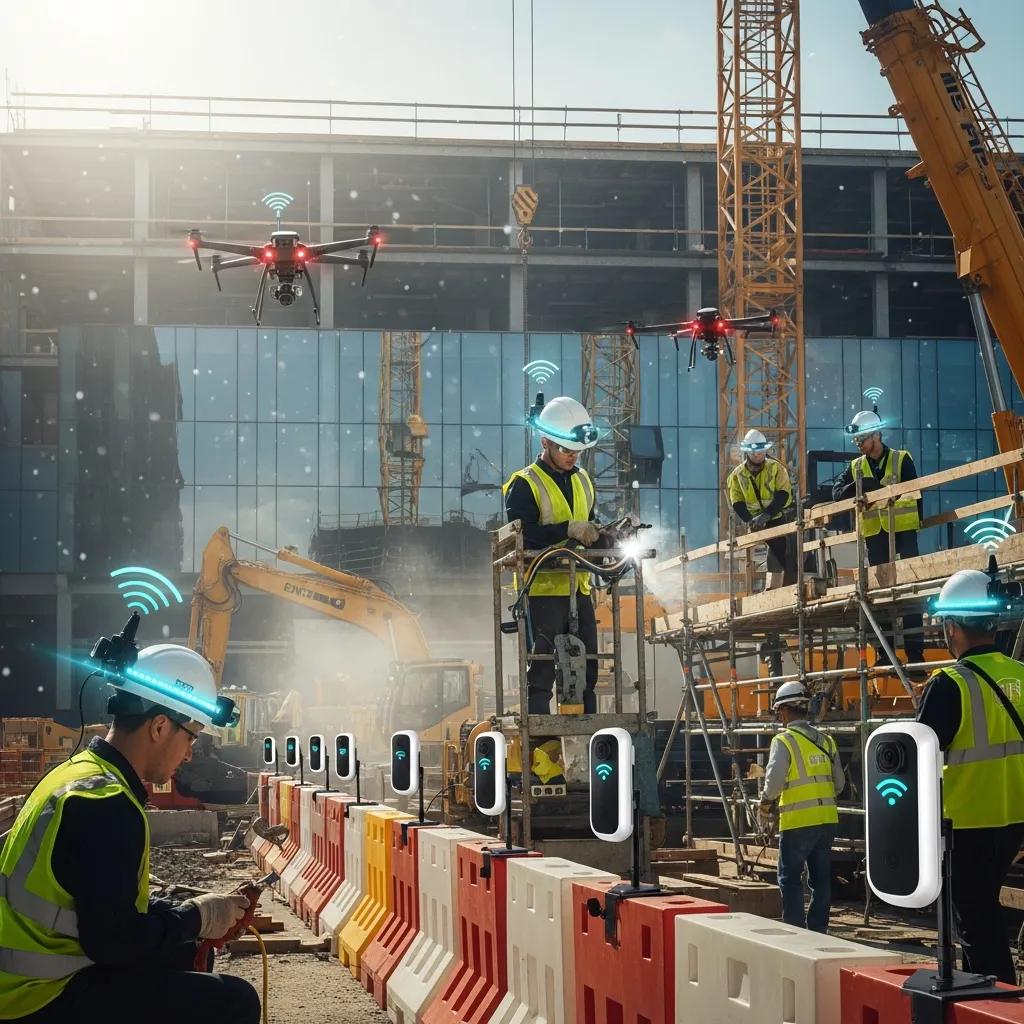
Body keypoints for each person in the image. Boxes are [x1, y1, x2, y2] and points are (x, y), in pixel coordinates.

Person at [0, 644, 261, 1023]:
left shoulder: (77, 777)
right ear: (159, 726)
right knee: (234, 1001)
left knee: (181, 952)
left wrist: (182, 915)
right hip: (37, 998)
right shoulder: (107, 805)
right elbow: (114, 942)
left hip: (22, 980)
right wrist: (196, 918)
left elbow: (94, 903)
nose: (189, 753)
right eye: (191, 737)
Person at [917, 569, 1024, 984]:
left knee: (977, 928)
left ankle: (996, 1005)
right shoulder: (1020, 674)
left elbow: (918, 760)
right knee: (984, 918)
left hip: (966, 826)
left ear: (951, 627)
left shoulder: (948, 685)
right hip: (1012, 821)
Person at [503, 395, 601, 716]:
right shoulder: (524, 484)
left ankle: (585, 745)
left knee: (587, 672)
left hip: (579, 589)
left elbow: (590, 527)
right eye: (565, 450)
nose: (573, 457)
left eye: (577, 451)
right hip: (543, 591)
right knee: (543, 673)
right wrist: (567, 529)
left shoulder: (584, 480)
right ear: (545, 442)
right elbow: (525, 535)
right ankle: (543, 757)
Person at [832, 410, 924, 666]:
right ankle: (885, 653)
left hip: (903, 533)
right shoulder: (856, 467)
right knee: (879, 596)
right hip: (876, 537)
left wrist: (886, 494)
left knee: (910, 592)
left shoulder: (901, 459)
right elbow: (837, 492)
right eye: (857, 441)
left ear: (876, 434)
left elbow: (915, 495)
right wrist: (860, 486)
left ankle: (915, 653)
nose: (859, 444)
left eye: (862, 439)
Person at [758, 682, 845, 933]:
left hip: (797, 823)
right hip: (827, 820)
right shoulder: (827, 742)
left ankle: (795, 934)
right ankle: (818, 931)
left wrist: (765, 803)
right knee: (820, 880)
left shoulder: (783, 741)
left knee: (789, 879)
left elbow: (773, 783)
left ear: (784, 710)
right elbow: (839, 784)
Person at [726, 428, 795, 588]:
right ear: (747, 452)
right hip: (754, 523)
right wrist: (750, 520)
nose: (757, 455)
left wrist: (766, 515)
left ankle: (788, 587)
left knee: (784, 553)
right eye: (753, 452)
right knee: (753, 557)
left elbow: (783, 494)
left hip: (776, 518)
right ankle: (767, 588)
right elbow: (737, 502)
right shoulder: (737, 475)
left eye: (760, 451)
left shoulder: (776, 469)